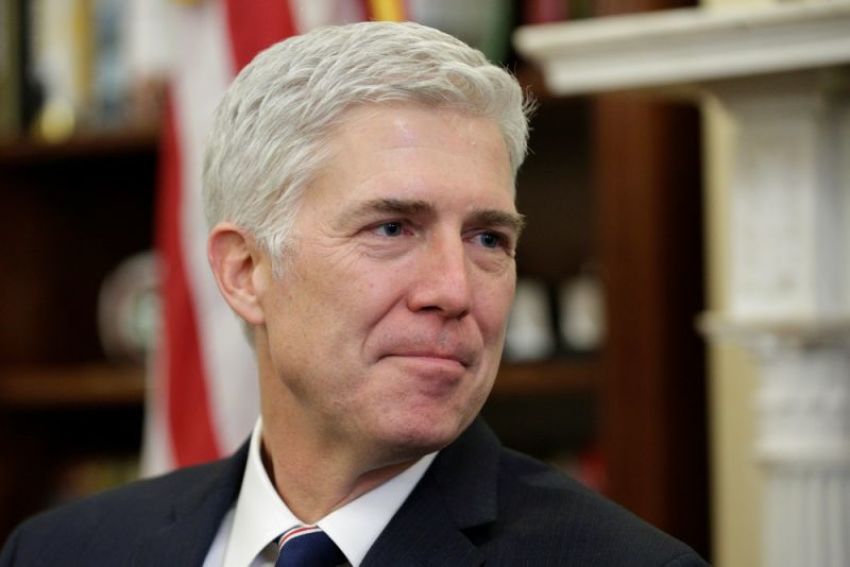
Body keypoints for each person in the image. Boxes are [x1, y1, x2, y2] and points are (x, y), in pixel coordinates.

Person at [0, 21, 708, 566]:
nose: (455, 291)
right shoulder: (64, 550)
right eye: (393, 227)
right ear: (246, 271)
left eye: (488, 238)